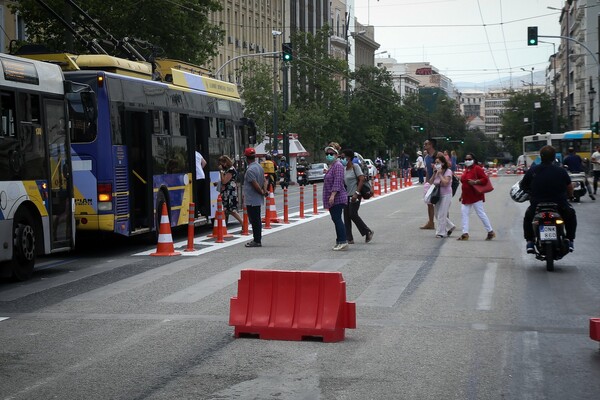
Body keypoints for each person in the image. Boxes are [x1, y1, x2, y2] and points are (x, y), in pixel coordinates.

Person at [521, 145, 576, 253]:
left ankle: (530, 242)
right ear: (554, 157)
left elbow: (523, 186)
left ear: (540, 157)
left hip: (537, 206)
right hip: (559, 205)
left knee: (528, 218)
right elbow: (569, 187)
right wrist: (571, 196)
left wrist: (530, 192)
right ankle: (570, 240)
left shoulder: (533, 170)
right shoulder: (561, 171)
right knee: (571, 216)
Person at [456, 152, 495, 241]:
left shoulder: (477, 168)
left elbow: (485, 179)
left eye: (469, 159)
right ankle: (465, 233)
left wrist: (475, 182)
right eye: (466, 159)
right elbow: (464, 183)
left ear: (474, 160)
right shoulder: (466, 170)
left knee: (481, 213)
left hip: (476, 195)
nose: (467, 161)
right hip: (466, 196)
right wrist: (461, 195)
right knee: (464, 213)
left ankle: (490, 231)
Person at [341, 148, 374, 244]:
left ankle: (367, 231)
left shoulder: (355, 167)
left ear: (349, 158)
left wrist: (357, 193)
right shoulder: (343, 169)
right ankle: (349, 238)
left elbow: (362, 179)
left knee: (352, 214)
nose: (342, 159)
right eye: (341, 157)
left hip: (355, 194)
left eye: (343, 157)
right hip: (346, 195)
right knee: (346, 216)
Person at [322, 142, 348, 251]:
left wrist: (332, 196)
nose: (329, 155)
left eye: (331, 154)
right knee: (335, 219)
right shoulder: (332, 166)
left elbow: (337, 182)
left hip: (337, 198)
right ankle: (339, 241)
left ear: (336, 155)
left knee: (337, 219)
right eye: (327, 153)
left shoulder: (338, 165)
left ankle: (343, 241)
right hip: (333, 198)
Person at [242, 147, 266, 247]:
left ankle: (257, 240)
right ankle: (257, 239)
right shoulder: (259, 167)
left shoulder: (250, 170)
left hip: (252, 199)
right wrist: (264, 190)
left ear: (246, 158)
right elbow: (265, 180)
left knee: (254, 220)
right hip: (257, 199)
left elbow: (254, 184)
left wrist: (261, 192)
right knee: (257, 219)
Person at [429, 154, 455, 238]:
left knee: (442, 214)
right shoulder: (436, 171)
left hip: (446, 194)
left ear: (443, 163)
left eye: (438, 162)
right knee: (437, 214)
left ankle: (440, 232)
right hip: (437, 195)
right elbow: (431, 182)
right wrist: (434, 174)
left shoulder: (448, 171)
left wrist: (440, 174)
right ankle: (450, 226)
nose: (436, 164)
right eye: (435, 163)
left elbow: (445, 182)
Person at [218, 155, 243, 225]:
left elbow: (224, 181)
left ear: (226, 162)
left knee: (231, 210)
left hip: (230, 192)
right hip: (227, 191)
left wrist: (221, 172)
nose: (221, 165)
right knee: (225, 210)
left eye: (222, 163)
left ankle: (243, 223)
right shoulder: (228, 170)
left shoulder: (230, 170)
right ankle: (223, 226)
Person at [420, 139, 437, 229]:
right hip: (430, 182)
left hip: (438, 182)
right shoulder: (426, 157)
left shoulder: (438, 155)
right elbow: (427, 171)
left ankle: (446, 223)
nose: (424, 145)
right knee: (429, 203)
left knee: (440, 204)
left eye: (426, 144)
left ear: (431, 145)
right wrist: (426, 182)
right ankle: (431, 222)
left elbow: (447, 165)